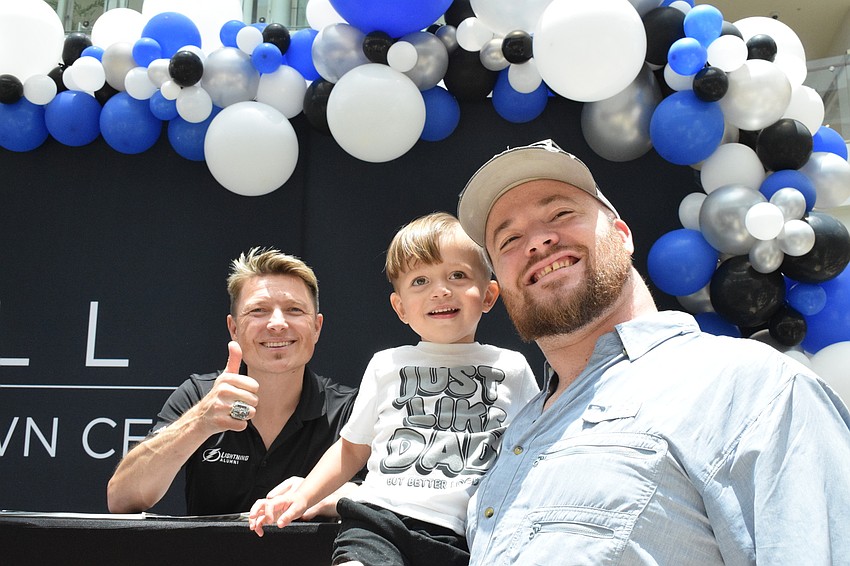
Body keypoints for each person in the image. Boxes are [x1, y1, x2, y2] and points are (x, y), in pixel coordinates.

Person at [454, 138, 850, 564]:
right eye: (509, 239)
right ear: (500, 284)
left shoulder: (751, 387)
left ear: (622, 236)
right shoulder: (511, 442)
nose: (536, 242)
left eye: (561, 214)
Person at [248, 212, 540, 566]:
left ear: (489, 295)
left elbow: (534, 453)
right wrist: (303, 496)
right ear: (400, 307)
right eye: (420, 281)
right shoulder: (386, 364)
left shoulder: (512, 368)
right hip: (379, 520)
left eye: (458, 275)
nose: (440, 290)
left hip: (465, 535)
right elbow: (351, 449)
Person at [107, 247, 361, 517]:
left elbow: (385, 495)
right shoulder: (200, 395)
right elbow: (122, 499)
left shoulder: (349, 409)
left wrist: (316, 494)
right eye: (259, 310)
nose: (277, 323)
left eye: (294, 310)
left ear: (316, 327)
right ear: (234, 328)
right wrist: (200, 422)